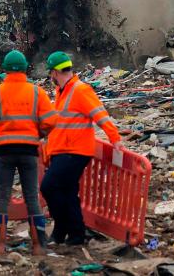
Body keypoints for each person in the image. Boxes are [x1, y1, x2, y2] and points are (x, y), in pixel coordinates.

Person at [0, 50, 58, 255]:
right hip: (29, 150)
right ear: (25, 69)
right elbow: (50, 121)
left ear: (4, 69)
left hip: (3, 151)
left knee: (2, 196)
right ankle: (39, 246)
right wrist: (38, 134)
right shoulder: (37, 92)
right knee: (31, 196)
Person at [40, 51, 124, 246]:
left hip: (74, 151)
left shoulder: (79, 90)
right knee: (68, 192)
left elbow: (100, 115)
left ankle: (62, 230)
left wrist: (115, 138)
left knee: (49, 187)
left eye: (50, 73)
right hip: (63, 150)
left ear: (54, 72)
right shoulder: (62, 92)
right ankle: (75, 235)